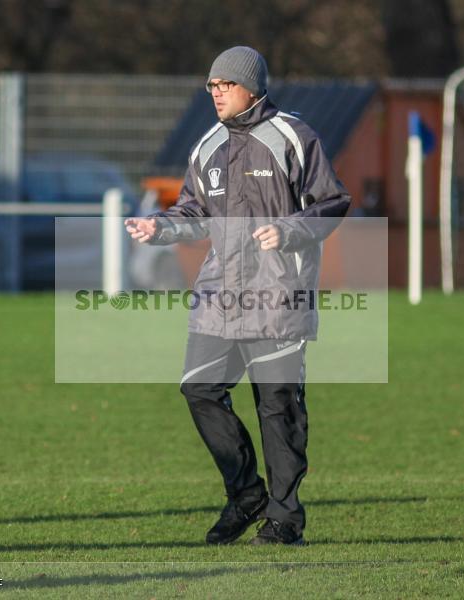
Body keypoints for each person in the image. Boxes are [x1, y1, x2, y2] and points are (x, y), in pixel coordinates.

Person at [125, 46, 351, 546]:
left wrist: (290, 231)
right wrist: (158, 226)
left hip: (278, 297)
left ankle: (284, 518)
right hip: (219, 296)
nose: (216, 93)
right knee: (198, 389)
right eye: (211, 86)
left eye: (225, 85)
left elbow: (333, 201)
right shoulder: (206, 146)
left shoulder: (295, 136)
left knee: (279, 406)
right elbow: (192, 212)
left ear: (252, 86)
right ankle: (246, 493)